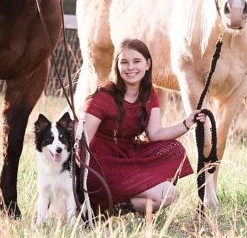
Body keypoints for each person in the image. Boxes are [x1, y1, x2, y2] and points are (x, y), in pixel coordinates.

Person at [80, 38, 206, 216]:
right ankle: (97, 201)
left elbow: (155, 134)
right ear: (117, 65)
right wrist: (80, 180)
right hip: (101, 164)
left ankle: (112, 208)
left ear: (147, 64)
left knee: (171, 171)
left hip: (127, 158)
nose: (130, 67)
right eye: (124, 62)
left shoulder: (148, 93)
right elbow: (82, 142)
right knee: (162, 194)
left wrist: (186, 123)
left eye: (136, 61)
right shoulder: (103, 97)